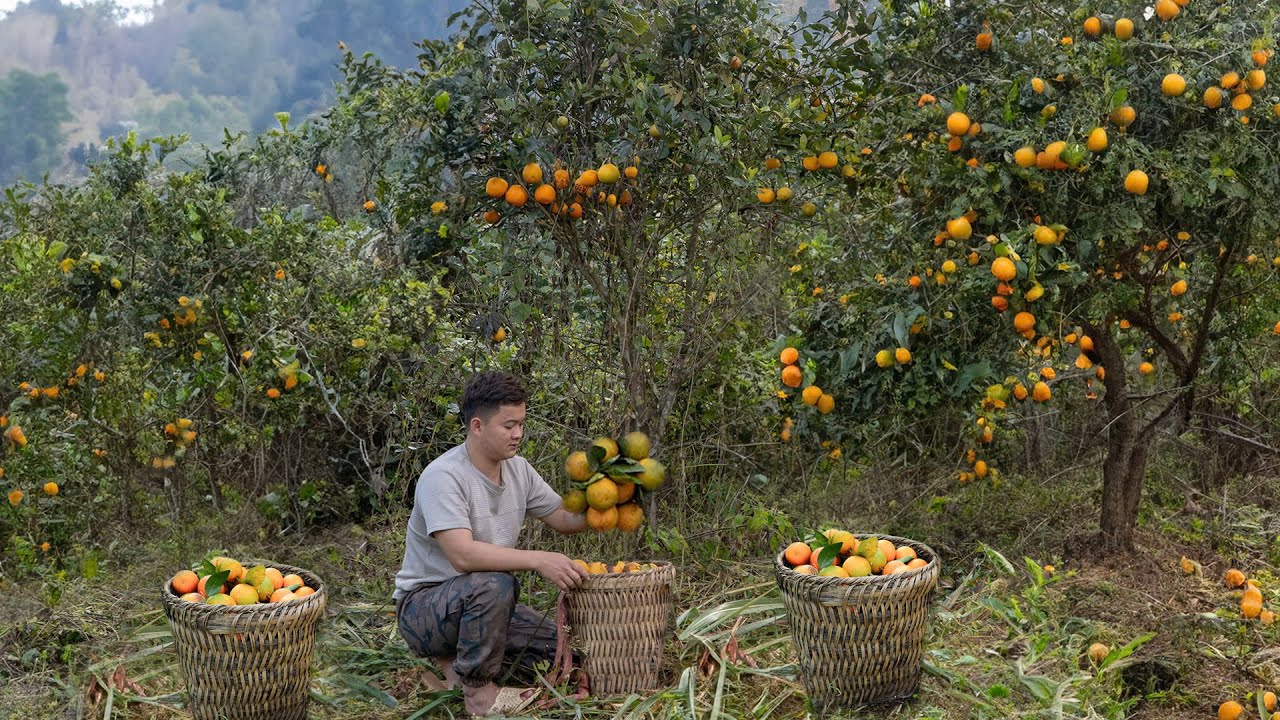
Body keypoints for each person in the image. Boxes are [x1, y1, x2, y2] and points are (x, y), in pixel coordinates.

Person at [393, 371, 589, 717]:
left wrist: (606, 501)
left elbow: (563, 517)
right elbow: (463, 556)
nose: (518, 434)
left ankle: (450, 668)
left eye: (521, 424)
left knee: (565, 654)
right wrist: (540, 559)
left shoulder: (519, 470)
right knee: (496, 583)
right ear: (478, 426)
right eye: (508, 425)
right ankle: (478, 695)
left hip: (482, 607)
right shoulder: (444, 476)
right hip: (425, 610)